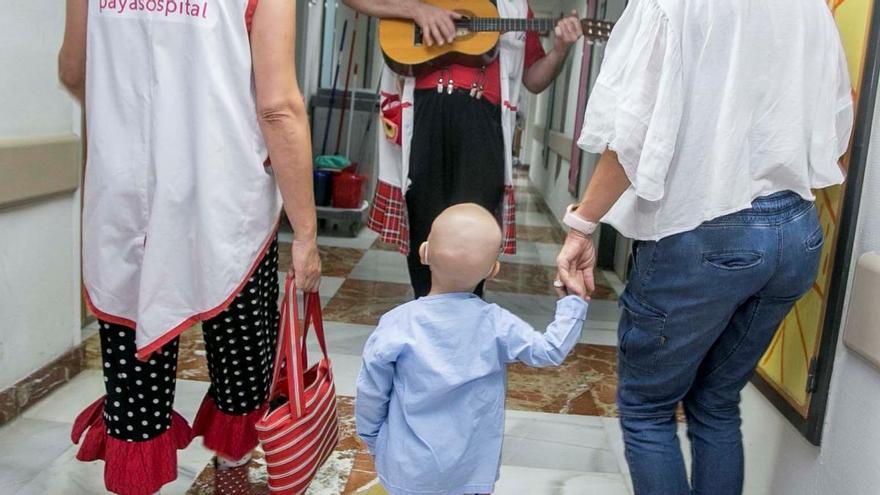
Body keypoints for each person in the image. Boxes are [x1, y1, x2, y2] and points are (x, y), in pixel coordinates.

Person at [554, 0, 854, 494]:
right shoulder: (809, 7)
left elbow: (633, 135)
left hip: (703, 231)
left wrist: (583, 223)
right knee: (716, 402)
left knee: (648, 409)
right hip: (795, 233)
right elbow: (837, 125)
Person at [58, 0, 321, 493]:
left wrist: (133, 126)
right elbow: (278, 108)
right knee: (241, 351)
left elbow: (75, 70)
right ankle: (232, 475)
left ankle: (137, 479)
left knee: (134, 368)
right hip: (222, 193)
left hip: (124, 198)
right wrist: (305, 234)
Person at [343, 0, 584, 297]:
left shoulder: (516, 7)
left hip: (484, 123)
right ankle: (425, 306)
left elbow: (533, 80)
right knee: (425, 221)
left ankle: (467, 315)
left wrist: (560, 50)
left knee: (476, 230)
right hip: (426, 113)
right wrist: (418, 10)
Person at [356, 203, 589, 495]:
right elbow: (549, 350)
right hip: (471, 471)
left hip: (407, 468)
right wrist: (573, 303)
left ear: (424, 253)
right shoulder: (496, 323)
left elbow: (371, 392)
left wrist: (372, 436)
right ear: (493, 270)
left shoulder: (397, 324)